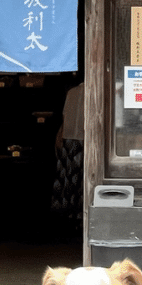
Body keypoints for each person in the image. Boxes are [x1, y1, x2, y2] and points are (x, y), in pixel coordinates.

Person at [52, 82, 85, 234]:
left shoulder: (71, 92)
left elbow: (64, 117)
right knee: (81, 179)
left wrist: (59, 136)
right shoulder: (95, 90)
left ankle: (67, 216)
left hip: (68, 138)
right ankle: (78, 216)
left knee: (68, 178)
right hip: (84, 138)